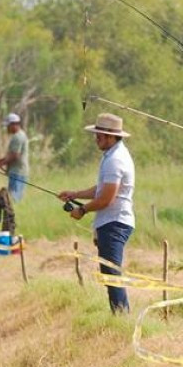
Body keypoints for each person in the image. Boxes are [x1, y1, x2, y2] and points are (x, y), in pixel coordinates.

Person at [58, 113, 135, 314]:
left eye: (99, 135)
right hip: (110, 222)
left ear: (111, 136)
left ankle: (121, 317)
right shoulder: (112, 156)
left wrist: (82, 210)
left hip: (115, 223)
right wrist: (75, 194)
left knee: (111, 274)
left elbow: (106, 199)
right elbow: (101, 189)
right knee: (109, 273)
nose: (96, 138)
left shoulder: (115, 160)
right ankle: (119, 315)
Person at [0, 113, 29, 202]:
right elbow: (11, 155)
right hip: (16, 171)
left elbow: (14, 156)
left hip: (18, 172)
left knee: (13, 198)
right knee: (12, 197)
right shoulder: (19, 135)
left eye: (8, 126)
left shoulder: (18, 137)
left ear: (14, 124)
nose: (7, 128)